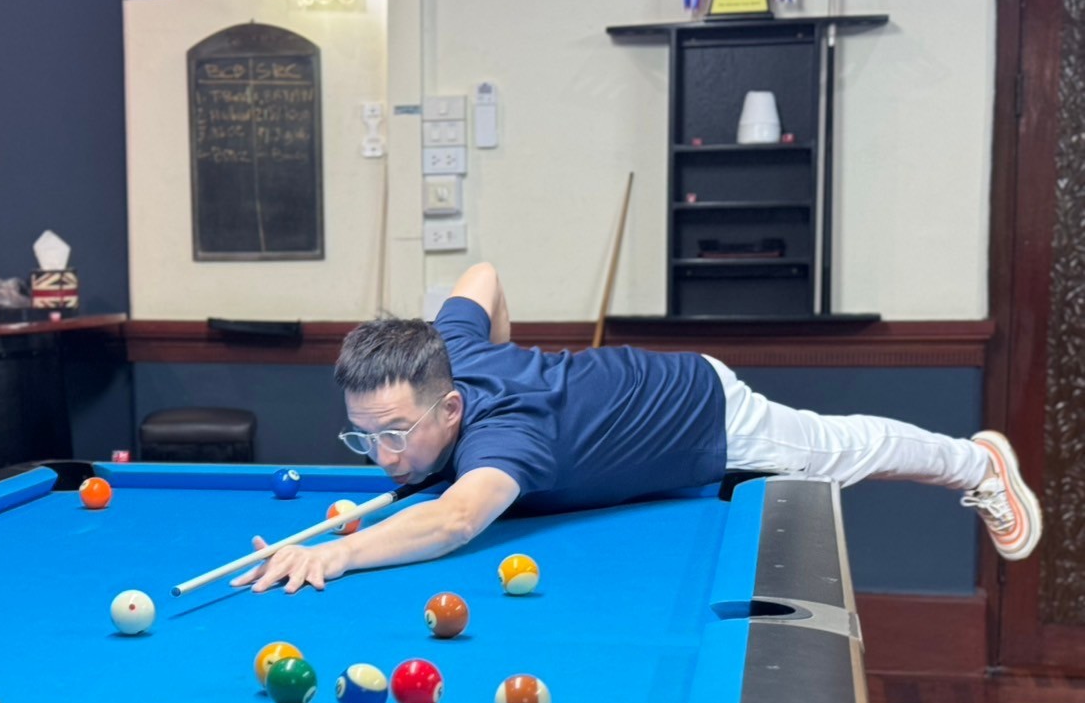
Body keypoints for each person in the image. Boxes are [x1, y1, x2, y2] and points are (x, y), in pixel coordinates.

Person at [232, 262, 1042, 594]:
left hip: (699, 408)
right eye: (364, 437)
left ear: (450, 409)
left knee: (837, 453)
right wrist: (511, 354)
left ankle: (976, 465)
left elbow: (451, 522)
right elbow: (481, 274)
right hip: (631, 393)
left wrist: (337, 553)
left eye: (395, 433)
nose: (382, 457)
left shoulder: (504, 440)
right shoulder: (450, 348)